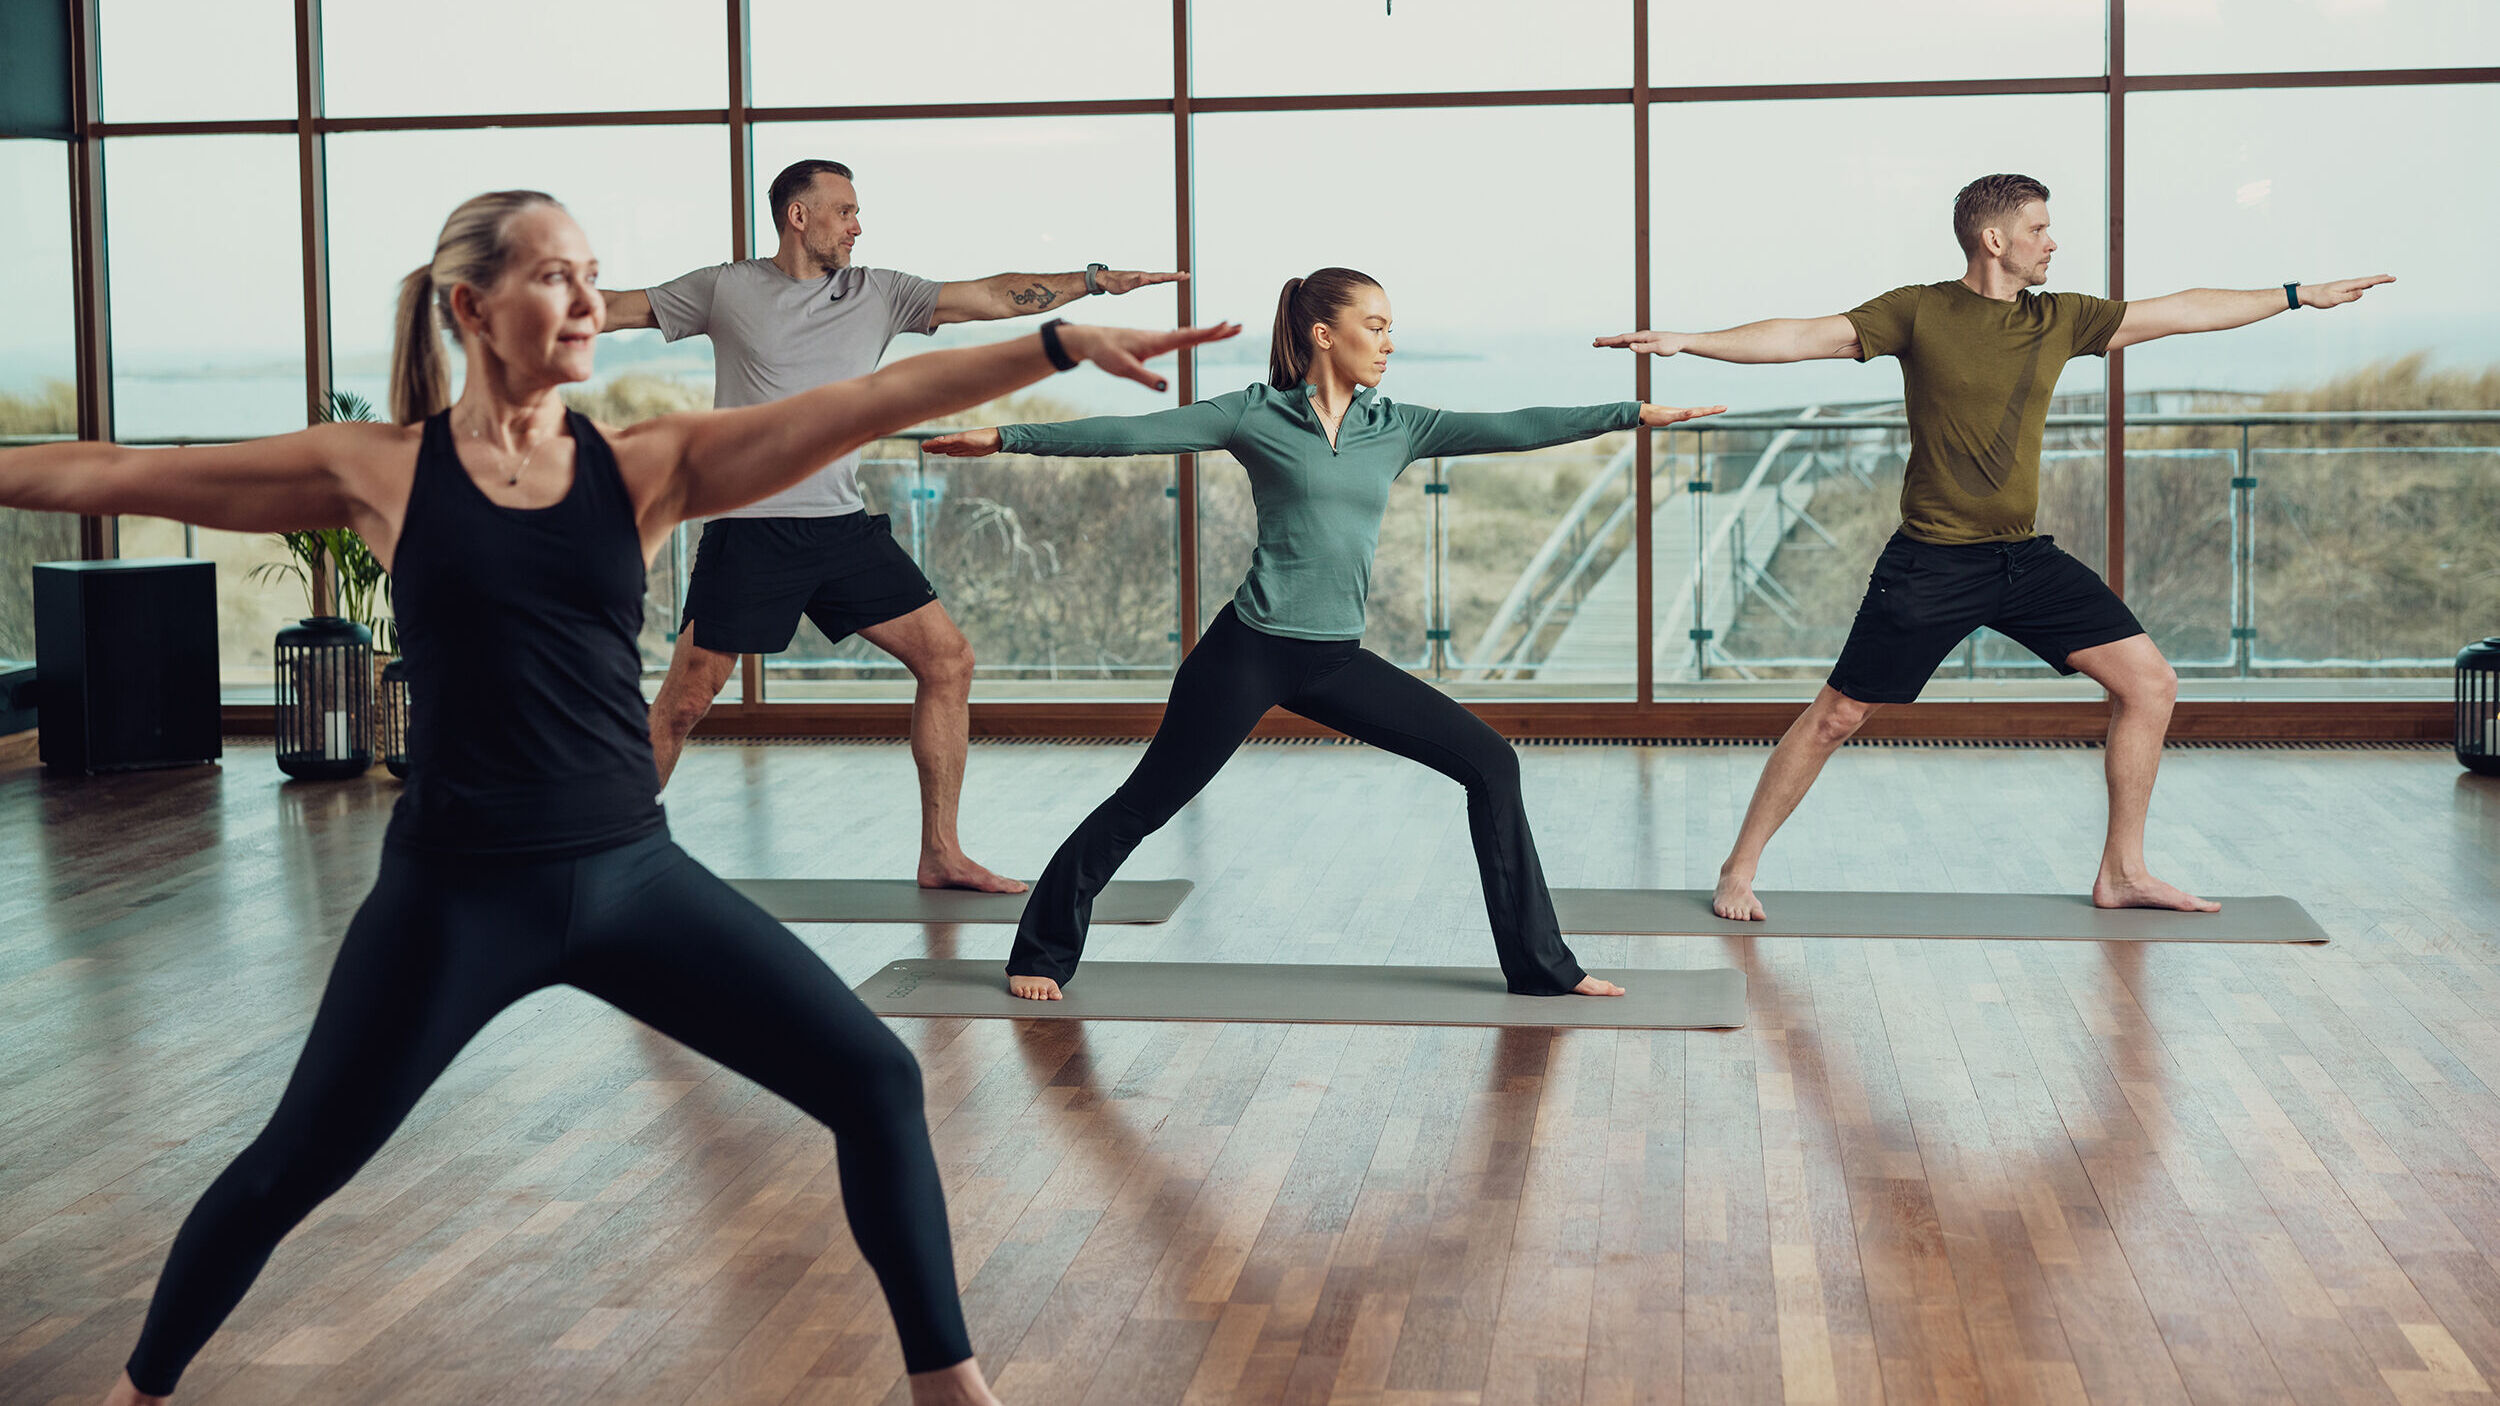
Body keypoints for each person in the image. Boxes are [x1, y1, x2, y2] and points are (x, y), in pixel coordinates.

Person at [0, 189, 1232, 1406]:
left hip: (633, 880)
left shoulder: (649, 464)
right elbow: (113, 469)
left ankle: (948, 1386)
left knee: (875, 1082)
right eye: (555, 276)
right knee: (292, 1164)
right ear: (472, 306)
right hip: (453, 896)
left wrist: (1059, 340)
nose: (590, 299)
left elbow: (869, 399)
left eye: (594, 273)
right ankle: (140, 1389)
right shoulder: (376, 469)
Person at [1596, 172, 2391, 922]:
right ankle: (1739, 867)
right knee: (1839, 714)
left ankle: (2122, 871)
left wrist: (2296, 295)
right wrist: (1688, 341)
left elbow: (2179, 310)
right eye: (2039, 229)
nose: (2052, 243)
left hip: (2024, 560)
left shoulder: (2059, 318)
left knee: (2150, 683)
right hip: (1931, 561)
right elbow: (1804, 335)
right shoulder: (1919, 311)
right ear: (1993, 239)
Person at [926, 267, 1726, 1001]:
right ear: (1323, 334)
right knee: (1146, 803)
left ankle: (1544, 967)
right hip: (1248, 652)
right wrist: (1007, 437)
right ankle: (1040, 952)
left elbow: (1516, 426)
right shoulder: (1255, 414)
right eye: (1374, 324)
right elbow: (1137, 433)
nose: (1388, 340)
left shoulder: (1399, 426)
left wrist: (1631, 414)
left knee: (1490, 763)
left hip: (1335, 659)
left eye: (1389, 326)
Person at [600, 158, 1188, 894]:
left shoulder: (878, 292)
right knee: (684, 705)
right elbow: (616, 308)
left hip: (842, 527)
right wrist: (505, 308)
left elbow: (991, 297)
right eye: (844, 210)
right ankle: (602, 855)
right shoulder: (726, 289)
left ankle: (940, 851)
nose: (857, 224)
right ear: (798, 216)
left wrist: (1095, 281)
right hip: (753, 528)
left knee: (948, 661)